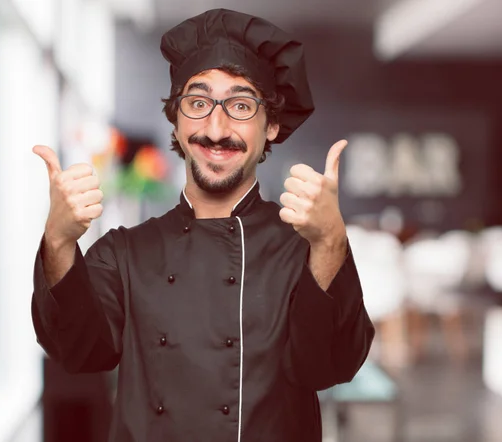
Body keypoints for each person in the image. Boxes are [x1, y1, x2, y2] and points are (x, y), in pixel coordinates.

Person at [31, 8, 374, 442]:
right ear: (175, 119)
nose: (216, 128)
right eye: (198, 103)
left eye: (241, 105)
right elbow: (77, 350)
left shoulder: (304, 248)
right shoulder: (125, 252)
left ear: (271, 126)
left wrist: (329, 243)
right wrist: (59, 241)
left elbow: (330, 367)